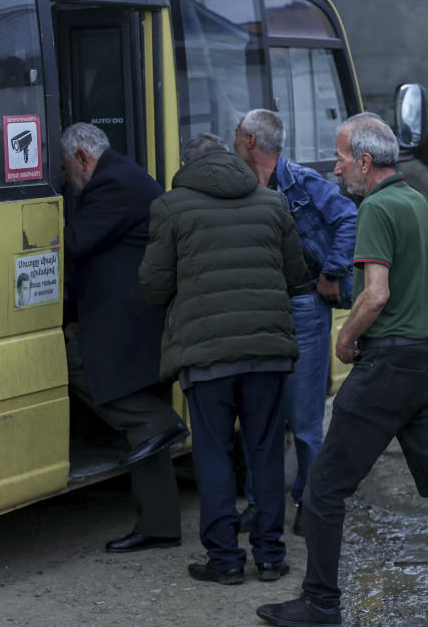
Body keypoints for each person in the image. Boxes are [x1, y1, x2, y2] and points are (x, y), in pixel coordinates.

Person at [258, 113, 428, 627]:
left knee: (324, 489)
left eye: (338, 159)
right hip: (421, 360)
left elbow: (375, 295)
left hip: (387, 364)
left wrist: (345, 335)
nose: (334, 170)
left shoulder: (376, 208)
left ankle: (320, 603)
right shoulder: (414, 200)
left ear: (362, 160)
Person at [139, 133, 308, 585]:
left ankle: (226, 561)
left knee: (213, 454)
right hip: (267, 353)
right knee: (266, 453)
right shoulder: (272, 203)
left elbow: (154, 286)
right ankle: (271, 556)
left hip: (206, 354)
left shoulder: (171, 207)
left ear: (187, 165)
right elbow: (297, 274)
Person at [60, 123, 188, 554]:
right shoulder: (120, 174)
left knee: (84, 369)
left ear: (82, 157)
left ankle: (163, 423)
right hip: (134, 317)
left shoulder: (114, 182)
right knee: (144, 435)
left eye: (65, 169)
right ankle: (160, 524)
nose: (66, 180)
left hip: (129, 321)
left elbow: (75, 241)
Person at [233, 109, 357, 536]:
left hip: (303, 306)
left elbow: (348, 217)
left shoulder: (300, 181)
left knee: (304, 423)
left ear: (250, 140)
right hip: (260, 308)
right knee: (259, 418)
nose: (234, 144)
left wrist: (333, 272)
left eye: (237, 136)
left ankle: (309, 501)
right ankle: (260, 505)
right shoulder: (241, 184)